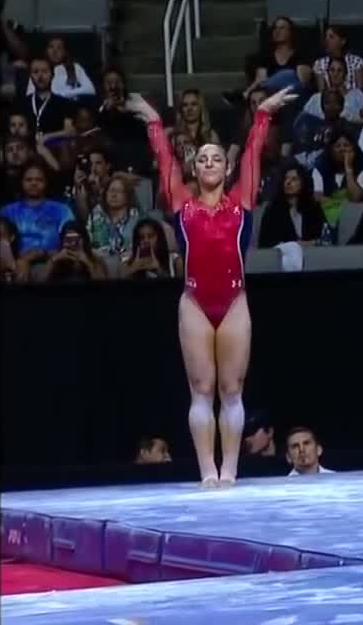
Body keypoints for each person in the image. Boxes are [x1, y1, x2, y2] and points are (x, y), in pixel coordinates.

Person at [127, 87, 298, 488]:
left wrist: (263, 114)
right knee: (202, 388)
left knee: (231, 387)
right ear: (195, 166)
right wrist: (154, 123)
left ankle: (231, 471)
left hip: (235, 299)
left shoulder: (242, 203)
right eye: (202, 158)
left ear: (226, 166)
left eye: (216, 157)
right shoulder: (181, 204)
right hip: (195, 301)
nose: (208, 162)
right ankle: (207, 472)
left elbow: (254, 153)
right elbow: (164, 160)